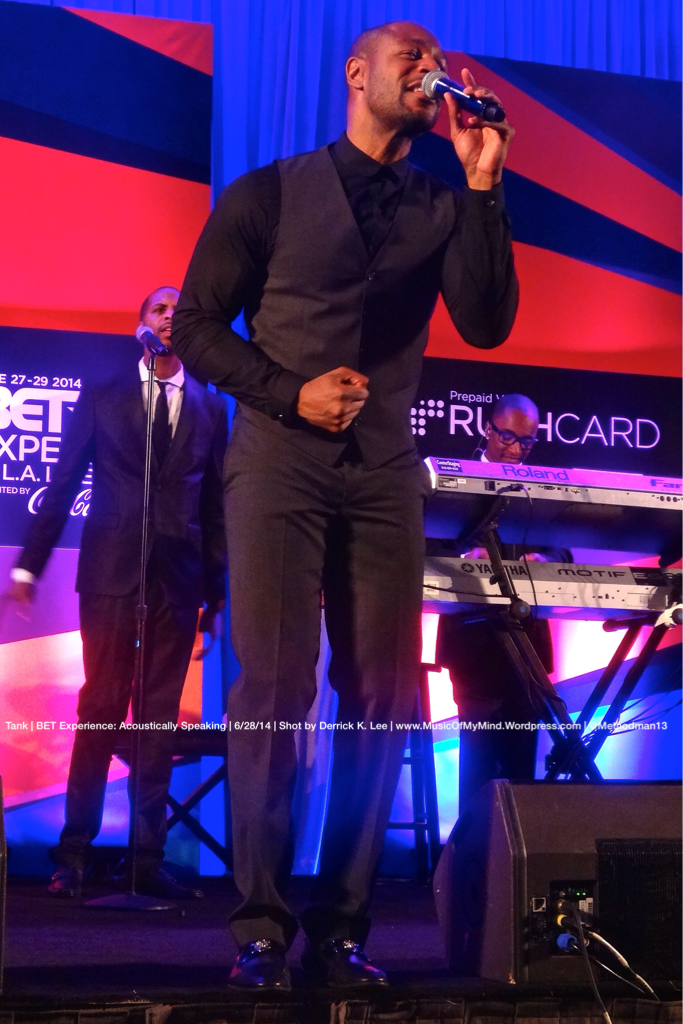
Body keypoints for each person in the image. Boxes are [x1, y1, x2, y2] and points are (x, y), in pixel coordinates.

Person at [172, 21, 518, 989]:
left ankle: (340, 929)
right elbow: (195, 325)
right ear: (356, 74)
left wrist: (483, 184)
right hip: (277, 463)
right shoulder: (269, 193)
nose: (429, 68)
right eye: (410, 55)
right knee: (275, 689)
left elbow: (487, 322)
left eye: (436, 58)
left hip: (382, 472)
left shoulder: (441, 203)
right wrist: (288, 392)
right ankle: (258, 928)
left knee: (381, 693)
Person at [7, 286, 227, 900]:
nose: (171, 317)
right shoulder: (105, 393)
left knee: (158, 717)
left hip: (177, 580)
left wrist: (216, 594)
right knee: (101, 706)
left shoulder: (210, 407)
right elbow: (62, 482)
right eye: (160, 309)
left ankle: (147, 859)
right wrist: (28, 567)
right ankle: (73, 854)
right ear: (141, 326)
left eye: (181, 310)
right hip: (110, 573)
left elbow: (216, 507)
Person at [435, 394, 571, 809]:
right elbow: (429, 549)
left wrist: (544, 560)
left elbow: (563, 551)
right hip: (473, 644)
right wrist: (465, 557)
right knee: (477, 766)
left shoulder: (539, 489)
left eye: (527, 442)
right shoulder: (455, 482)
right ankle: (472, 846)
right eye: (508, 437)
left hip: (527, 646)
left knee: (521, 768)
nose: (516, 449)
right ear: (487, 428)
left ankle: (518, 846)